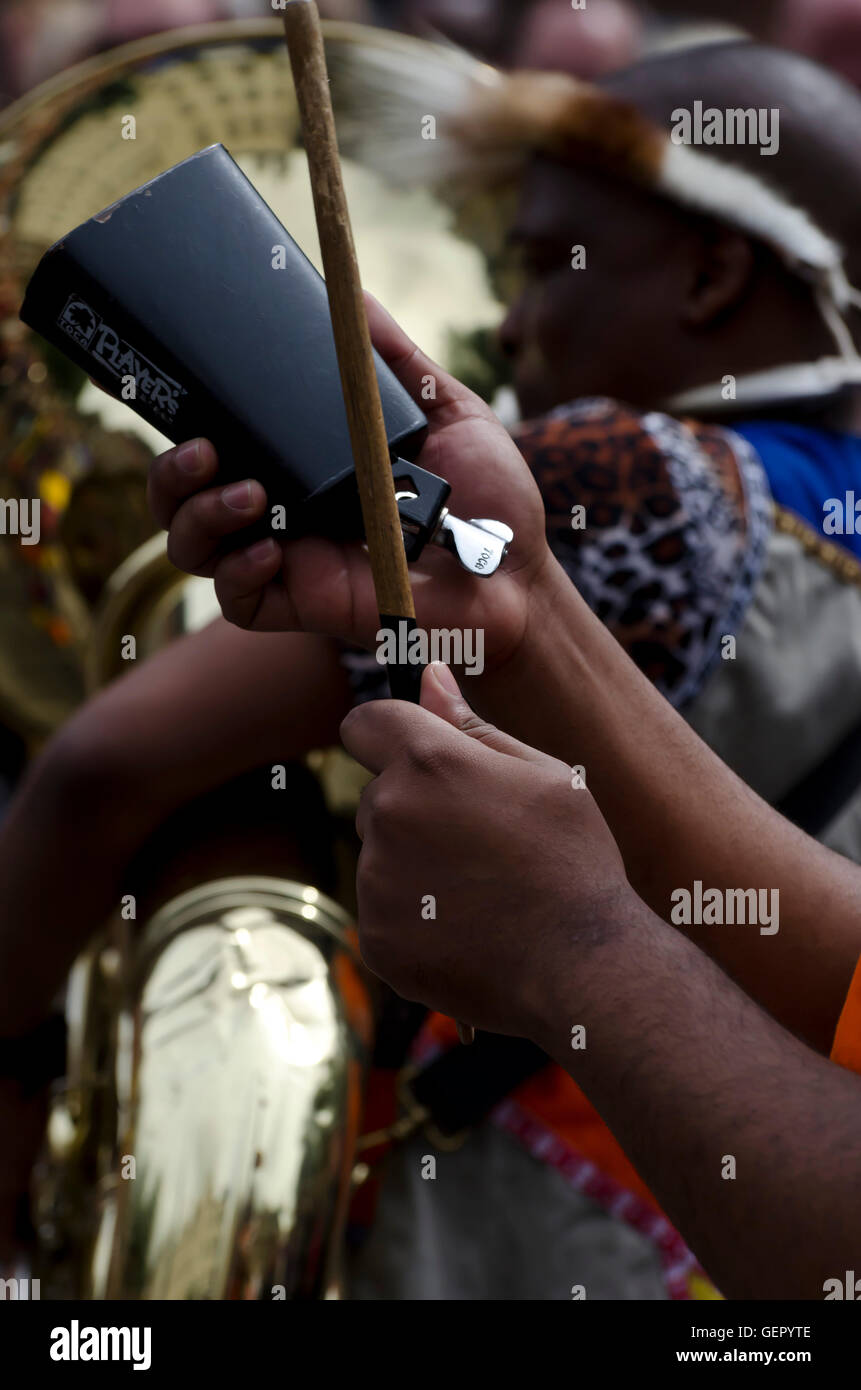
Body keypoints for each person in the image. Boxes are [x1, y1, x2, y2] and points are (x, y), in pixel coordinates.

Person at [5, 38, 861, 1296]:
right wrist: (517, 609)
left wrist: (17, 1077)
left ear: (715, 271)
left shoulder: (617, 471)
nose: (508, 320)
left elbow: (101, 766)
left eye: (541, 261)